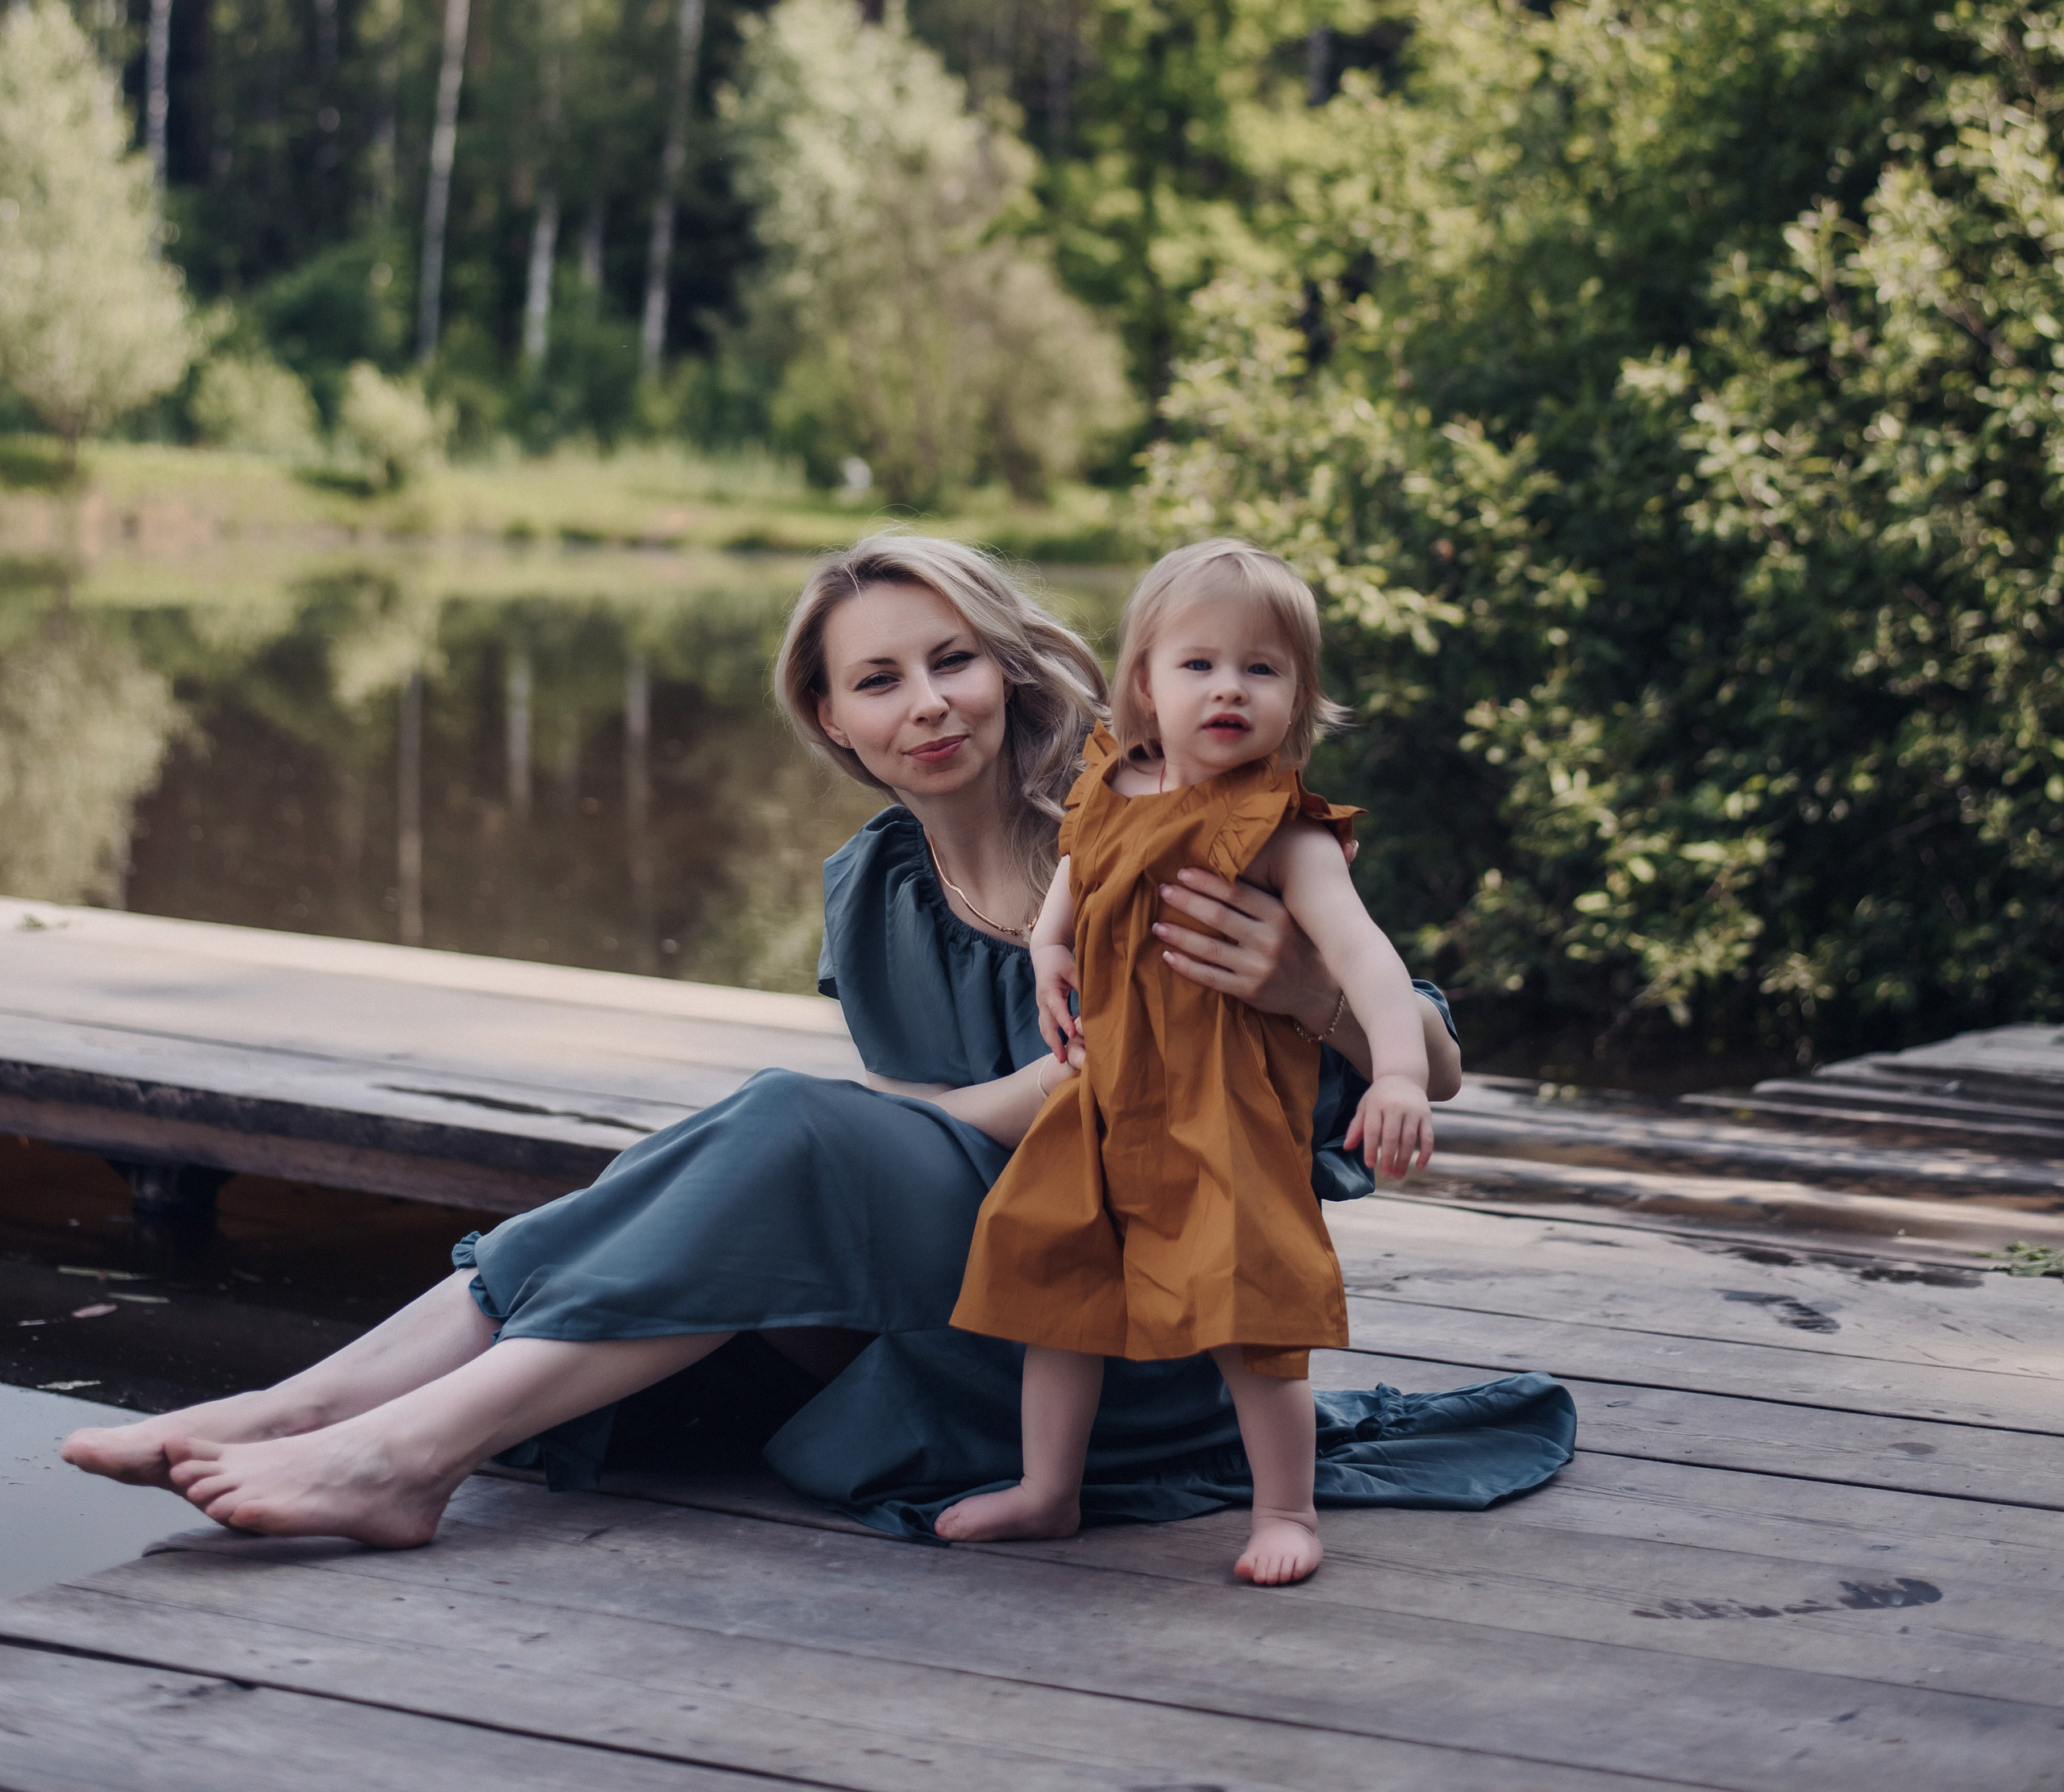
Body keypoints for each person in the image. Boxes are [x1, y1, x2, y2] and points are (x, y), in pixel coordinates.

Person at [62, 535, 1571, 1547]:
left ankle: (394, 1446)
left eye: (952, 660)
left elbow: (1425, 1053)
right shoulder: (875, 889)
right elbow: (927, 1127)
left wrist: (1305, 993)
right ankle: (316, 1404)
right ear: (831, 719)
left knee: (788, 1124)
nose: (927, 703)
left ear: (1009, 666)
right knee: (749, 1140)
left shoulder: (1144, 823)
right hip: (965, 1280)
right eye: (878, 679)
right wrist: (916, 1116)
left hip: (1131, 1320)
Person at [941, 540, 1433, 1585]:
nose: (1229, 687)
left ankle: (1286, 1507)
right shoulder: (1114, 780)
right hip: (1106, 1097)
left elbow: (1366, 958)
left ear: (1298, 699)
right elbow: (1076, 867)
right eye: (1198, 663)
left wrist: (1396, 1072)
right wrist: (1049, 941)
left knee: (1248, 1303)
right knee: (1053, 1274)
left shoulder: (1282, 831)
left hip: (1223, 1107)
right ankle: (1047, 1489)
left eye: (1262, 668)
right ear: (1144, 688)